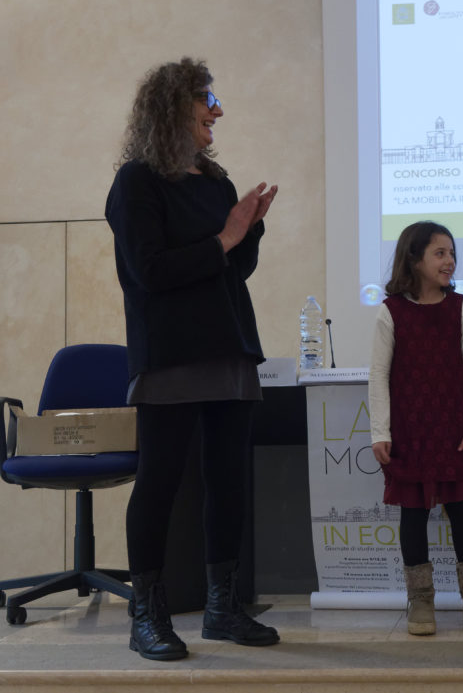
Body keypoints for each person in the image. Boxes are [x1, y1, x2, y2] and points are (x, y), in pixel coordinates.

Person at [105, 58, 280, 661]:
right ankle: (147, 615)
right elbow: (149, 272)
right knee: (160, 482)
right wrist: (226, 236)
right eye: (207, 98)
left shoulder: (216, 182)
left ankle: (222, 609)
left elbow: (234, 269)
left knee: (228, 482)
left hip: (229, 346)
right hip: (172, 352)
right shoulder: (136, 182)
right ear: (173, 107)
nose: (218, 110)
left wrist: (248, 231)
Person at [369, 221, 463, 636]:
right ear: (414, 259)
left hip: (455, 430)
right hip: (410, 431)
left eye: (452, 253)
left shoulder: (459, 307)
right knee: (413, 514)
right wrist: (380, 431)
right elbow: (379, 375)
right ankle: (420, 602)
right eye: (440, 253)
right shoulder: (391, 311)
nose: (449, 261)